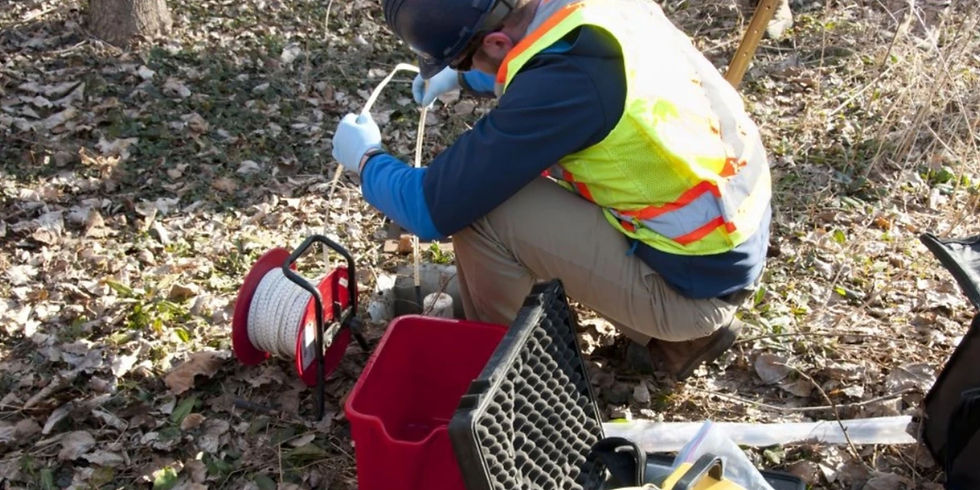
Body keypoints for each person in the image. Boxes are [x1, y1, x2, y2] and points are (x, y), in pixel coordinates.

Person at [331, 0, 772, 381]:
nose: (462, 70)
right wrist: (469, 79)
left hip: (692, 293)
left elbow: (430, 207)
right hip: (722, 243)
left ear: (496, 44)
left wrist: (367, 159)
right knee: (517, 178)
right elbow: (544, 54)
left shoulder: (568, 85)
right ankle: (662, 332)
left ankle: (510, 378)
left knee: (484, 211)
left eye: (462, 61)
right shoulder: (593, 19)